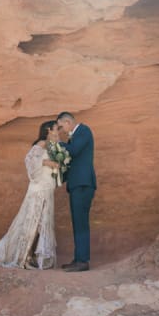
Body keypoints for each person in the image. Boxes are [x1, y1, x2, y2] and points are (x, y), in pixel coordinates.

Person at [0, 120, 60, 269]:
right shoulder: (40, 143)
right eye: (56, 129)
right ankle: (24, 256)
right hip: (38, 190)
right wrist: (47, 163)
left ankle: (33, 255)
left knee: (42, 222)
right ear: (48, 130)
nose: (58, 131)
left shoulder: (52, 146)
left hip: (47, 188)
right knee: (32, 221)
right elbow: (29, 161)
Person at [56, 111, 96, 272]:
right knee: (78, 223)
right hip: (77, 184)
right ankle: (78, 258)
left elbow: (73, 151)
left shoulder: (84, 131)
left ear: (67, 122)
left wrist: (57, 142)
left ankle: (82, 261)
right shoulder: (74, 137)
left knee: (81, 223)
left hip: (83, 184)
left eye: (61, 126)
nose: (61, 131)